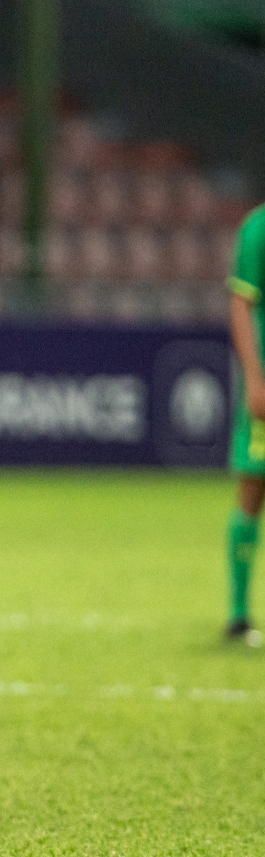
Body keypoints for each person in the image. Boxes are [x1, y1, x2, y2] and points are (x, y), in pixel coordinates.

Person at [225, 204, 265, 647]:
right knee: (253, 488)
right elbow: (241, 304)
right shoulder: (259, 229)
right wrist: (255, 379)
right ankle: (238, 615)